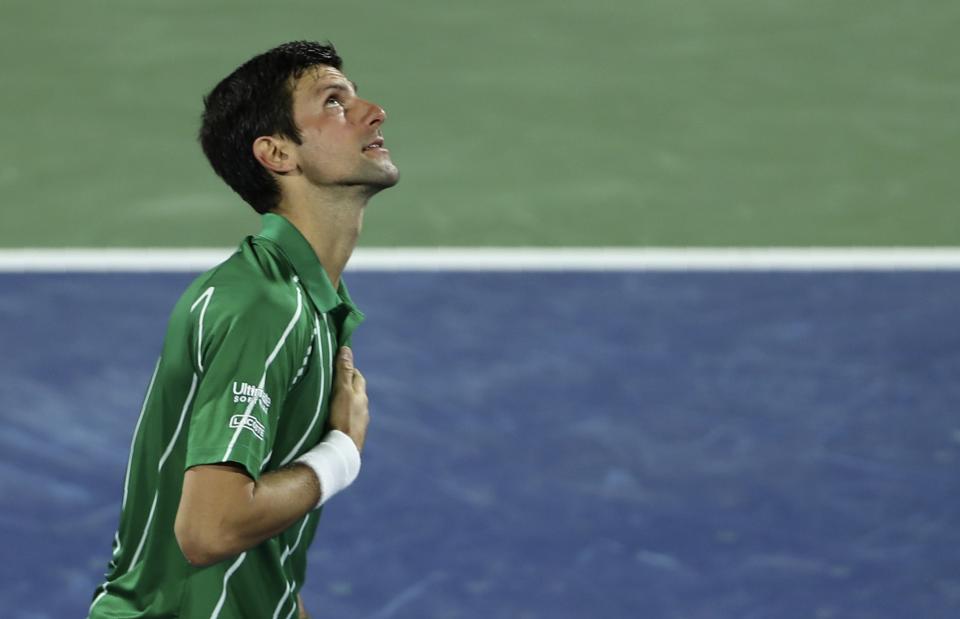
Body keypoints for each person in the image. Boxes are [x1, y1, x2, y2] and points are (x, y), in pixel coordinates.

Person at [88, 40, 399, 618]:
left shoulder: (306, 303)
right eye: (334, 102)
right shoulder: (263, 307)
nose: (372, 111)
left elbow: (261, 553)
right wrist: (342, 455)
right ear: (278, 153)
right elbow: (212, 530)